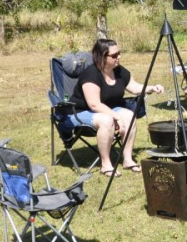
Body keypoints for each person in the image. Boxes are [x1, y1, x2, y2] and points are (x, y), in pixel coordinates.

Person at [68, 38, 163, 177]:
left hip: (106, 110)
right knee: (106, 120)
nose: (119, 57)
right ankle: (106, 164)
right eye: (114, 55)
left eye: (119, 53)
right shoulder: (90, 74)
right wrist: (116, 116)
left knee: (130, 115)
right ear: (102, 56)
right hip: (80, 112)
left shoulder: (118, 70)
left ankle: (128, 159)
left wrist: (152, 88)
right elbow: (94, 104)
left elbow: (135, 87)